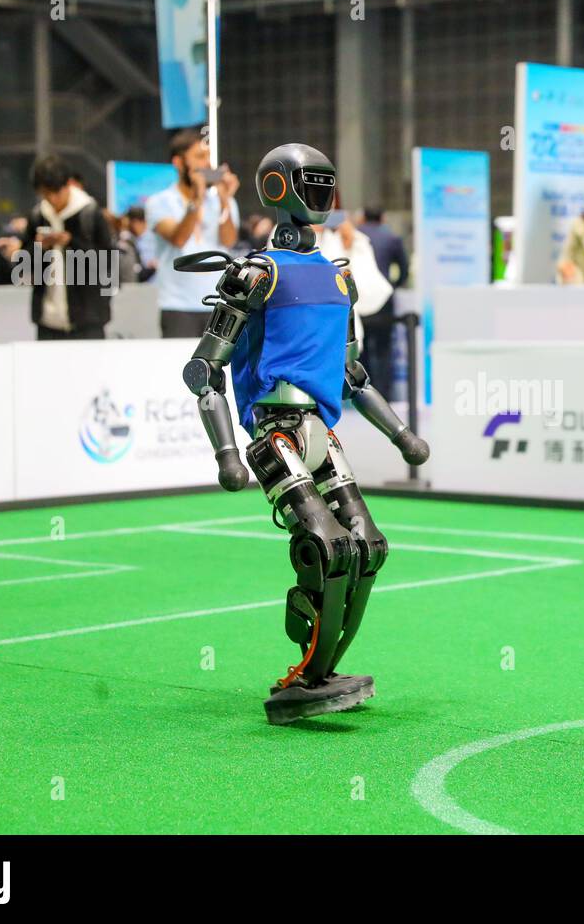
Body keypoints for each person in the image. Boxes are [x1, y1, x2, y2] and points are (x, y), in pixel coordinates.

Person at [176, 142, 428, 724]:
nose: (320, 194)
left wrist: (401, 436)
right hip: (275, 431)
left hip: (319, 428)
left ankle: (323, 671)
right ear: (278, 189)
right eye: (308, 183)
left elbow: (351, 374)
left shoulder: (339, 278)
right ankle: (307, 675)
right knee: (322, 541)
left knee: (367, 544)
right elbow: (203, 372)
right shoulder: (256, 275)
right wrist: (226, 454)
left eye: (325, 183)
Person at [144, 128, 240, 337]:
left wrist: (225, 199)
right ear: (179, 163)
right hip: (177, 306)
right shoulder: (159, 202)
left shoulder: (222, 201)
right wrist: (196, 200)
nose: (206, 163)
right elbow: (179, 238)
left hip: (219, 303)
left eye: (208, 157)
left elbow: (229, 240)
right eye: (199, 157)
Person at [23, 154, 116, 340]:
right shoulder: (37, 215)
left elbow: (109, 265)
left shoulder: (89, 213)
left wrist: (72, 243)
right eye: (45, 194)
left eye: (56, 192)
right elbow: (23, 267)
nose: (52, 199)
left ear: (68, 185)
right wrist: (40, 247)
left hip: (88, 320)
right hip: (47, 321)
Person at [314, 207, 392, 362]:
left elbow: (367, 288)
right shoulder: (291, 234)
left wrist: (350, 241)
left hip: (342, 328)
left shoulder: (353, 239)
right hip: (308, 330)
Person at [356, 206, 409, 399]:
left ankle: (362, 392)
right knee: (384, 348)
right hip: (383, 301)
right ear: (383, 217)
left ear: (362, 217)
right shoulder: (392, 238)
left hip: (358, 299)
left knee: (361, 349)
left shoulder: (353, 236)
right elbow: (404, 269)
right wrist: (393, 286)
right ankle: (383, 394)